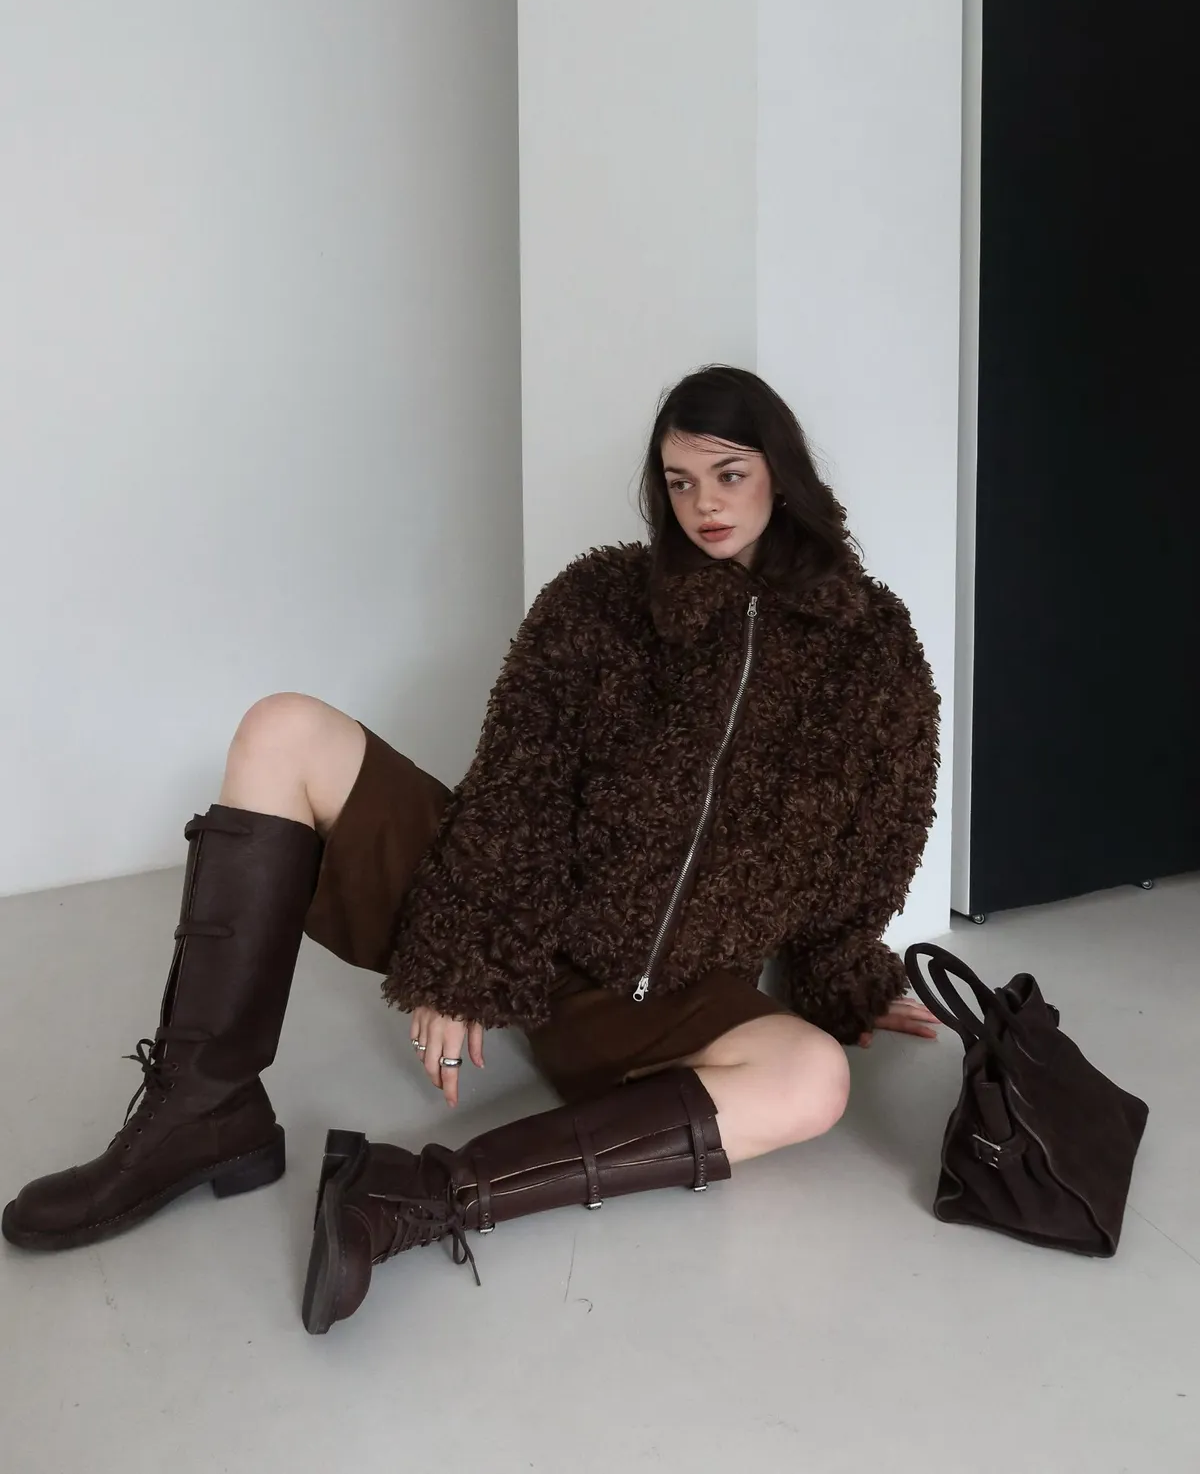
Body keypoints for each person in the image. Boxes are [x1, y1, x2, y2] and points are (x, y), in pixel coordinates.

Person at [3, 365, 941, 1334]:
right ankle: (204, 1113)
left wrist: (844, 972)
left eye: (729, 475)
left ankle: (411, 1195)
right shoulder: (603, 600)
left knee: (813, 1081)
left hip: (669, 1004)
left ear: (782, 473)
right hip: (521, 925)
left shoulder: (870, 649)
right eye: (679, 481)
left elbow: (876, 840)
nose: (704, 504)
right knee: (283, 728)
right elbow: (518, 785)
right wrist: (468, 959)